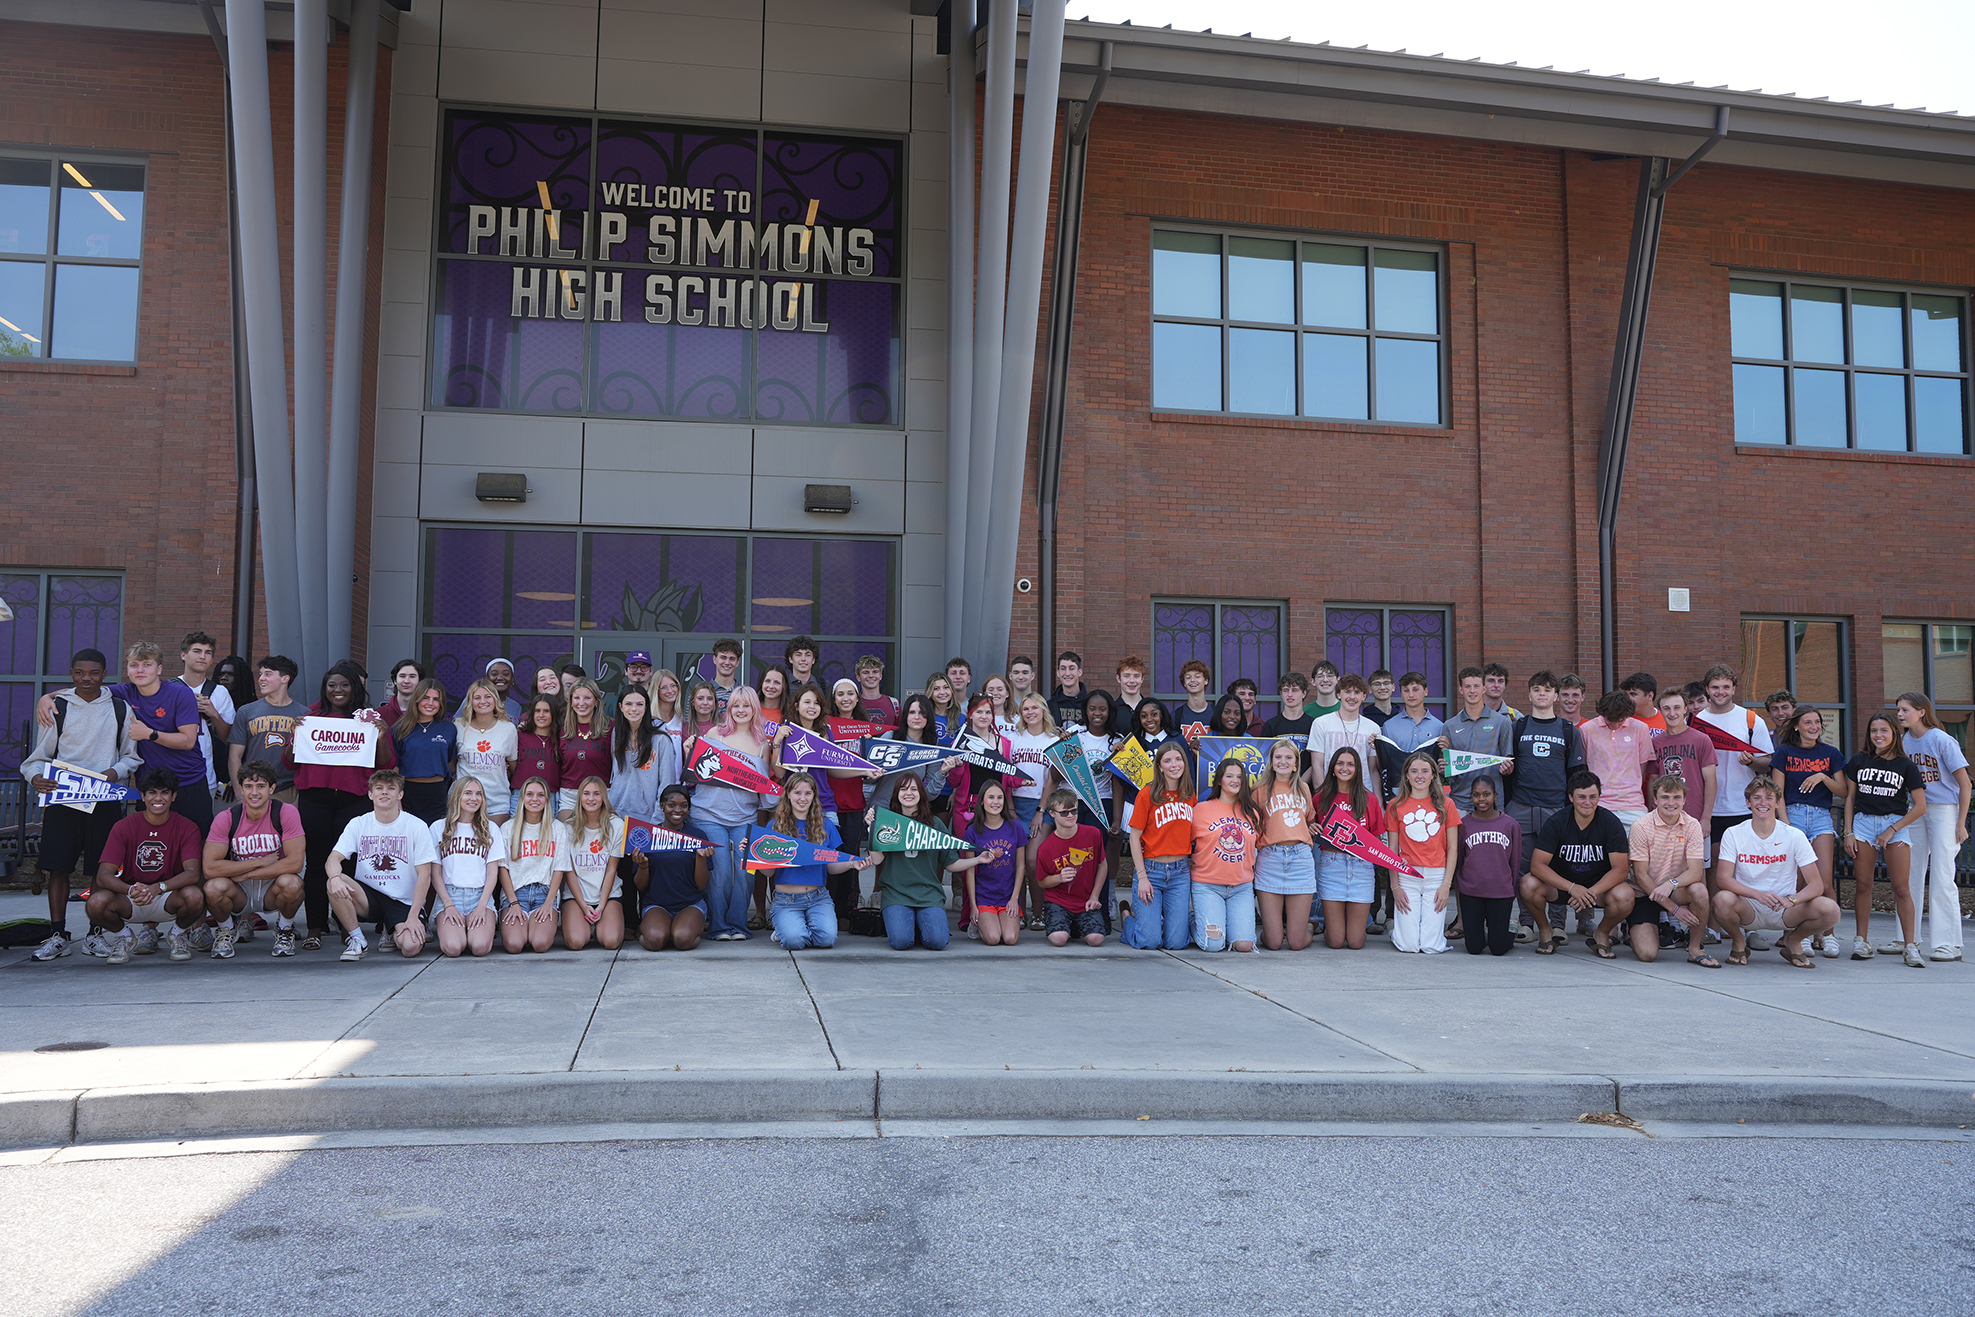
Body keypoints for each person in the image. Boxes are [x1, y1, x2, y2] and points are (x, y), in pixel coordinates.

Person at [21, 647, 140, 961]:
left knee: (101, 869)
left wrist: (115, 771)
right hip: (63, 798)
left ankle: (95, 934)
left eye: (94, 673)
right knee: (58, 868)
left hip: (103, 798)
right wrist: (35, 778)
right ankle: (58, 935)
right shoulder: (59, 707)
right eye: (79, 672)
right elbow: (37, 759)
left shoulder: (118, 708)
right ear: (71, 674)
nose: (86, 679)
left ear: (105, 674)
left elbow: (132, 756)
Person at [288, 660, 395, 950]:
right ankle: (314, 927)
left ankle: (348, 926)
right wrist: (295, 735)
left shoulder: (367, 720)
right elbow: (289, 760)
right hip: (315, 799)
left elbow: (386, 762)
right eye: (332, 685)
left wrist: (382, 736)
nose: (338, 690)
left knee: (348, 865)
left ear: (355, 688)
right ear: (325, 689)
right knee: (316, 865)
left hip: (353, 800)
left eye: (345, 684)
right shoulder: (310, 717)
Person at [1713, 778, 1841, 968]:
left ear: (1778, 803)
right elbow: (1723, 878)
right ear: (1748, 803)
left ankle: (1794, 941)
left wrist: (1792, 900)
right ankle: (1739, 940)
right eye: (1756, 798)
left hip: (1785, 909)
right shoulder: (1734, 833)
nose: (1763, 803)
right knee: (1721, 900)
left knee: (1831, 910)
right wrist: (1758, 894)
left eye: (1769, 798)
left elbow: (1816, 885)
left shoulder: (1794, 835)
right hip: (1749, 906)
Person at [86, 768, 207, 964]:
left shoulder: (187, 826)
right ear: (142, 796)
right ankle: (124, 937)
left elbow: (193, 873)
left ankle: (177, 935)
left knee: (195, 895)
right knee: (95, 902)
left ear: (173, 796)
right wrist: (130, 888)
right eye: (152, 792)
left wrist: (159, 887)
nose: (158, 798)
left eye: (164, 792)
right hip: (133, 896)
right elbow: (104, 875)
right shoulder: (124, 826)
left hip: (168, 896)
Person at [324, 768, 438, 962]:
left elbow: (425, 875)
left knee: (410, 947)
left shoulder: (416, 826)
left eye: (391, 788)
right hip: (369, 897)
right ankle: (358, 940)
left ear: (400, 794)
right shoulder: (358, 823)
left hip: (403, 901)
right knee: (334, 881)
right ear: (370, 794)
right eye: (379, 788)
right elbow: (333, 859)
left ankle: (391, 927)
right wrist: (335, 878)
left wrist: (413, 916)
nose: (384, 792)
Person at [688, 686, 774, 941]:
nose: (740, 710)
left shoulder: (763, 744)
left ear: (754, 709)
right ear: (728, 709)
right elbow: (699, 771)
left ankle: (738, 924)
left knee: (745, 870)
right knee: (721, 870)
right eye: (736, 705)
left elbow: (765, 784)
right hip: (708, 814)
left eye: (746, 706)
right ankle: (718, 925)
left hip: (743, 817)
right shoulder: (715, 734)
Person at [1842, 713, 1929, 966]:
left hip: (1895, 826)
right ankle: (1861, 940)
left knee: (1901, 888)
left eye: (1884, 730)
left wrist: (1892, 829)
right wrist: (1848, 832)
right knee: (1863, 885)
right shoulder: (1858, 761)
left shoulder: (1906, 766)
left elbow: (1920, 806)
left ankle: (1911, 946)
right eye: (1873, 731)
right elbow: (1849, 798)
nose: (1878, 735)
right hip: (1863, 825)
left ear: (1894, 733)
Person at [1505, 671, 1585, 944]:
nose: (1542, 694)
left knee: (1559, 868)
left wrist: (1572, 811)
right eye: (1536, 689)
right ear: (1529, 695)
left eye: (1547, 690)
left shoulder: (1568, 730)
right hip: (1522, 805)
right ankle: (1527, 922)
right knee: (1523, 869)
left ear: (1555, 696)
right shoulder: (1518, 727)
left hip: (1556, 809)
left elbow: (1576, 774)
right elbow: (1508, 768)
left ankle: (1558, 924)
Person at [200, 761, 306, 959]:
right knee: (213, 887)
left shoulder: (285, 812)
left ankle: (284, 930)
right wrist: (258, 862)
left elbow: (295, 863)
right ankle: (226, 930)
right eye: (248, 786)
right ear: (241, 789)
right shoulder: (227, 817)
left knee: (292, 883)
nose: (254, 792)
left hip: (271, 888)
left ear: (272, 788)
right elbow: (210, 868)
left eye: (261, 786)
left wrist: (246, 873)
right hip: (239, 891)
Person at [1894, 691, 1971, 963]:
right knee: (1909, 873)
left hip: (1943, 811)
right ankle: (1907, 937)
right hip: (1916, 811)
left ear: (1921, 711)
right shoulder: (1903, 741)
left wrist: (1960, 823)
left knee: (1941, 874)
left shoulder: (1941, 739)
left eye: (1905, 709)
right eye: (1898, 710)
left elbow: (1965, 784)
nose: (1900, 714)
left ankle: (1948, 943)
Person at [1522, 770, 1632, 957]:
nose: (1587, 802)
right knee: (1528, 884)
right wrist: (1573, 887)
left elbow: (1621, 869)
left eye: (1592, 797)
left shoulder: (1610, 823)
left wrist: (1590, 892)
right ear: (1571, 797)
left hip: (1597, 889)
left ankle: (1602, 933)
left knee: (1626, 895)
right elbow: (1537, 865)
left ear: (1599, 796)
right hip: (1562, 887)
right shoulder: (1557, 821)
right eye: (1581, 797)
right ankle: (1545, 930)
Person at [1770, 707, 1847, 958]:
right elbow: (1776, 793)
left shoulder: (1830, 754)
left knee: (1824, 882)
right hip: (1792, 816)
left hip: (1821, 817)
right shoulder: (1784, 753)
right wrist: (1786, 824)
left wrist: (1823, 776)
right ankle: (1799, 935)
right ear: (1796, 726)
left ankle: (1828, 934)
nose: (1813, 727)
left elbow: (1844, 791)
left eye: (1817, 722)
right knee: (1799, 882)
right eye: (1807, 722)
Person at [1624, 774, 1715, 966]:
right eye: (1665, 797)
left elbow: (1695, 872)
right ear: (1655, 799)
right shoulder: (1641, 826)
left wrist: (1671, 884)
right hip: (1645, 892)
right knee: (1647, 954)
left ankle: (1695, 948)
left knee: (1699, 891)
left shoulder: (1692, 825)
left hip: (1674, 889)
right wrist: (1674, 910)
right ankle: (1632, 931)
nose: (1671, 802)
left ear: (1684, 799)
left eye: (1676, 797)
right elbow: (1640, 876)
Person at [770, 772, 865, 950]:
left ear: (814, 796)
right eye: (797, 792)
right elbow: (768, 872)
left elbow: (830, 866)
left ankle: (796, 926)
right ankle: (786, 928)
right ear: (788, 794)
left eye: (808, 793)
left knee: (827, 940)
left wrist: (853, 863)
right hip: (786, 899)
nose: (802, 798)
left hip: (817, 897)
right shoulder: (774, 827)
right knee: (794, 941)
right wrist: (752, 854)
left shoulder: (825, 825)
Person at [1695, 664, 1775, 862]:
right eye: (1715, 687)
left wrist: (1752, 761)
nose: (1720, 692)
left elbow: (1768, 763)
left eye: (1725, 686)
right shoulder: (1697, 721)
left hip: (1743, 805)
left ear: (1733, 689)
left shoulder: (1750, 720)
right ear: (1707, 689)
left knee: (1745, 863)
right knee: (1713, 863)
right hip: (1709, 807)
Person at [1123, 742, 1195, 951]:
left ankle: (1164, 922)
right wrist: (1142, 877)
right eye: (1168, 760)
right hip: (1151, 871)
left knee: (1175, 943)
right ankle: (1128, 918)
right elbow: (1134, 838)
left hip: (1180, 872)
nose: (1174, 765)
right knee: (1149, 941)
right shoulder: (1147, 794)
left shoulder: (1190, 796)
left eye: (1179, 759)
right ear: (1160, 766)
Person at [1314, 745, 1384, 950]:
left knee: (1355, 942)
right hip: (1331, 866)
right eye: (1340, 763)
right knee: (1336, 942)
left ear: (1358, 769)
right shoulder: (1320, 797)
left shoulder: (1369, 798)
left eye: (1350, 764)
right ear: (1333, 767)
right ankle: (1318, 925)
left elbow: (1377, 839)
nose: (1345, 768)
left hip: (1361, 868)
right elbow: (1308, 825)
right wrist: (1311, 826)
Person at [866, 774, 947, 950]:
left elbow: (952, 863)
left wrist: (979, 859)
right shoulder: (886, 822)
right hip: (897, 895)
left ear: (921, 794)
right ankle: (911, 924)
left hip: (928, 895)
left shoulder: (935, 824)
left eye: (913, 789)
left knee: (938, 942)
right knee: (901, 942)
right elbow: (877, 859)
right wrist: (872, 831)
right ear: (896, 794)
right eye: (903, 789)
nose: (908, 793)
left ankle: (919, 925)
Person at [1388, 751, 1457, 954]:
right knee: (1408, 946)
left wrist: (1446, 885)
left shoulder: (1446, 804)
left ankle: (1420, 932)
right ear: (1406, 775)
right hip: (1407, 876)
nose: (1420, 776)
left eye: (1425, 771)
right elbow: (1392, 850)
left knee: (1431, 946)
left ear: (1433, 774)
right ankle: (1398, 931)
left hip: (1437, 876)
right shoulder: (1395, 805)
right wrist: (1395, 887)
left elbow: (1453, 848)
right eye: (1414, 771)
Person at [428, 776, 504, 958]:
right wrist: (448, 905)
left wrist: (481, 906)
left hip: (479, 896)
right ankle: (459, 929)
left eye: (479, 794)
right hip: (449, 895)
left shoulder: (490, 828)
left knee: (479, 947)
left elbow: (493, 873)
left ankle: (473, 927)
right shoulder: (439, 827)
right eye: (468, 793)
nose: (474, 798)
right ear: (456, 796)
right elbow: (435, 873)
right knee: (453, 948)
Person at [1252, 738, 1316, 951]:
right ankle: (1277, 930)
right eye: (1278, 757)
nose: (1283, 761)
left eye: (1288, 757)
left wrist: (1312, 828)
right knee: (1273, 942)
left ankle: (1306, 926)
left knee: (1296, 943)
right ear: (1271, 761)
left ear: (1296, 763)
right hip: (1270, 858)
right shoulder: (1259, 790)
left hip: (1300, 858)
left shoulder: (1304, 788)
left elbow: (1309, 819)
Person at [1190, 758, 1260, 952]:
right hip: (1207, 886)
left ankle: (1221, 922)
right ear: (1219, 780)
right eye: (1229, 776)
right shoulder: (1201, 810)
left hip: (1241, 888)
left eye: (1239, 777)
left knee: (1244, 945)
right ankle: (1193, 920)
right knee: (1213, 945)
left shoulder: (1252, 812)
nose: (1235, 780)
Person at [635, 784, 712, 951]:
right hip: (657, 904)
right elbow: (640, 886)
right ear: (662, 806)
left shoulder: (698, 836)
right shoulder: (648, 835)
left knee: (682, 939)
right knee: (654, 940)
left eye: (683, 805)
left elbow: (702, 885)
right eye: (671, 805)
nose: (678, 810)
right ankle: (662, 931)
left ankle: (678, 930)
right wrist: (643, 865)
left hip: (690, 904)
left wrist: (700, 858)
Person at [498, 777, 570, 954]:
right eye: (529, 794)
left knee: (540, 944)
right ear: (522, 798)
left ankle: (534, 926)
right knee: (514, 945)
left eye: (540, 795)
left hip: (544, 893)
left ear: (547, 800)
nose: (535, 799)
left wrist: (549, 903)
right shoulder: (508, 828)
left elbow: (558, 869)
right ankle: (523, 926)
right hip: (515, 893)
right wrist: (513, 903)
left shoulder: (557, 828)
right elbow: (503, 869)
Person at [949, 780, 1025, 945]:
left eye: (1000, 797)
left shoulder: (1015, 827)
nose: (996, 802)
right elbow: (969, 870)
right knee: (993, 939)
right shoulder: (972, 831)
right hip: (985, 896)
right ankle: (979, 924)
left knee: (1010, 939)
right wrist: (973, 906)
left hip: (1007, 896)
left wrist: (1014, 899)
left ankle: (998, 920)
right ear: (982, 801)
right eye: (991, 797)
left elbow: (1020, 866)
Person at [1452, 777, 1520, 956]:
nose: (1481, 799)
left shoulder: (1510, 825)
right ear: (1471, 797)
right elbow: (1459, 861)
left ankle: (1509, 931)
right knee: (1474, 948)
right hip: (1471, 892)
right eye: (1476, 795)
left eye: (1486, 794)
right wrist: (1461, 885)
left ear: (1495, 796)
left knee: (1498, 949)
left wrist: (1511, 891)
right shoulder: (1464, 824)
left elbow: (1515, 862)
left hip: (1500, 892)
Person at [1038, 787, 1111, 948]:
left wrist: (1094, 896)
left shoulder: (1094, 834)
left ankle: (1076, 925)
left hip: (1085, 900)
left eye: (1074, 811)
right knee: (1059, 939)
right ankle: (1065, 924)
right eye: (1064, 812)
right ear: (1052, 813)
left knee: (1096, 939)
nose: (1070, 815)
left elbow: (1102, 865)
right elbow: (1042, 882)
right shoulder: (1045, 848)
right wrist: (1059, 878)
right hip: (1058, 901)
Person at [169, 631, 235, 809]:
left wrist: (213, 714)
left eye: (208, 653)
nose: (202, 657)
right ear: (183, 655)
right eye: (197, 651)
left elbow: (228, 738)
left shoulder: (220, 692)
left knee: (201, 831)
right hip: (169, 775)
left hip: (205, 776)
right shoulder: (167, 689)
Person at [561, 776, 627, 951]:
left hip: (607, 894)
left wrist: (601, 907)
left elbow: (611, 870)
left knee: (611, 941)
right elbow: (570, 872)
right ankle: (583, 925)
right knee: (576, 942)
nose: (591, 798)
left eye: (597, 794)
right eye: (587, 793)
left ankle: (601, 924)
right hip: (577, 897)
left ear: (604, 797)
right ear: (579, 798)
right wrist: (584, 906)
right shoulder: (567, 828)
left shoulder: (617, 825)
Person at [1437, 666, 1514, 815]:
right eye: (1467, 686)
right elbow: (1447, 768)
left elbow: (1508, 761)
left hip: (1492, 802)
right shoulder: (1450, 725)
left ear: (1484, 688)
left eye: (1476, 686)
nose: (1472, 691)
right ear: (1460, 689)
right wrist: (1443, 770)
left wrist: (1507, 768)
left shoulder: (1501, 722)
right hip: (1460, 801)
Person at [228, 655, 303, 802]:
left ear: (285, 679)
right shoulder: (246, 711)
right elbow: (234, 756)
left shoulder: (303, 715)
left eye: (268, 674)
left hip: (289, 789)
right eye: (260, 674)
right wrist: (240, 793)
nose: (261, 678)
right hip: (254, 787)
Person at [1579, 689, 1655, 827]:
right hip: (1598, 803)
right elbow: (1584, 768)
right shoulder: (1587, 730)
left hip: (1633, 804)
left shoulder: (1640, 728)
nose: (1614, 725)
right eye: (1609, 721)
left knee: (1636, 848)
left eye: (1620, 721)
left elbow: (1642, 769)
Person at [1649, 688, 1718, 835]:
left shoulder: (1701, 740)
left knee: (1695, 859)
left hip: (1695, 819)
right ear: (1660, 711)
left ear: (1685, 709)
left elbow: (1711, 781)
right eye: (1666, 708)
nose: (1672, 713)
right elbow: (1653, 781)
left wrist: (1706, 818)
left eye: (1677, 708)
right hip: (1664, 819)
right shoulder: (1655, 743)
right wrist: (1651, 814)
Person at [391, 678, 458, 824]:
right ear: (416, 699)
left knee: (435, 843)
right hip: (407, 794)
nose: (430, 703)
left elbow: (451, 764)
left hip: (437, 794)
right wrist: (397, 799)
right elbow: (395, 769)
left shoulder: (448, 728)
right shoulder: (399, 729)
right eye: (425, 698)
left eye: (436, 699)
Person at [458, 678, 519, 825]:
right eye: (477, 698)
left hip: (497, 803)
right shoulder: (459, 727)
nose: (482, 701)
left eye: (487, 697)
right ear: (470, 702)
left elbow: (514, 766)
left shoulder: (508, 729)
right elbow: (452, 763)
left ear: (495, 699)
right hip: (464, 802)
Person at [1007, 695, 1061, 845]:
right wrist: (1010, 809)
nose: (1030, 712)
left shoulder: (1053, 741)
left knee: (1032, 859)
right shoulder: (1012, 739)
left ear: (1043, 710)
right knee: (1015, 857)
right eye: (1025, 709)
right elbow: (1005, 777)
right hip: (1015, 804)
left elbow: (1053, 781)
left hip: (1042, 803)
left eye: (1034, 707)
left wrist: (1040, 812)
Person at [1308, 673, 1381, 780]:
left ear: (1364, 696)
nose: (1352, 697)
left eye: (1357, 692)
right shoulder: (1321, 723)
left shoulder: (1373, 727)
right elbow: (1317, 766)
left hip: (1363, 792)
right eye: (1347, 692)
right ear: (1338, 694)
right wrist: (1322, 794)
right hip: (1331, 791)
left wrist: (1377, 796)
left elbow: (1373, 770)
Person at [556, 679, 612, 819]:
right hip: (570, 794)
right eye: (576, 698)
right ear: (570, 701)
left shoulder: (610, 728)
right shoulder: (563, 730)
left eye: (587, 698)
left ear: (596, 701)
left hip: (601, 793)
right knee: (568, 836)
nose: (581, 703)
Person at [511, 693, 561, 822]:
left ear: (554, 714)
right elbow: (512, 764)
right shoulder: (519, 735)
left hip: (549, 796)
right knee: (516, 835)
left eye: (546, 711)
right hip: (520, 794)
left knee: (548, 837)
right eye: (537, 711)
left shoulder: (561, 738)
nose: (541, 715)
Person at [454, 657, 525, 721]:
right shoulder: (473, 700)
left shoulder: (516, 707)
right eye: (494, 674)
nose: (500, 678)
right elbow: (457, 724)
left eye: (506, 674)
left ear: (512, 679)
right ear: (487, 679)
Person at [1047, 650, 1091, 732]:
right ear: (1058, 672)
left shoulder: (1090, 704)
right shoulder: (1049, 706)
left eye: (1072, 668)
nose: (1067, 673)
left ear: (1080, 672)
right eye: (1063, 669)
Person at [1174, 659, 1214, 741]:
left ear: (1206, 680)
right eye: (1188, 677)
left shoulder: (1217, 714)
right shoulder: (1175, 717)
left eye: (1197, 676)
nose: (1192, 680)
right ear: (1184, 683)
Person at [378, 659, 425, 725]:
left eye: (412, 676)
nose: (406, 681)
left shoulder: (426, 713)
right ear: (395, 680)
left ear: (419, 681)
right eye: (402, 676)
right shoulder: (379, 715)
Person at [856, 654, 898, 726]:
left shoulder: (894, 704)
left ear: (880, 676)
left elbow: (900, 732)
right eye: (866, 672)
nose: (871, 676)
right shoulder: (852, 703)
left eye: (875, 672)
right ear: (858, 677)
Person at [1113, 655, 1148, 731]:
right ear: (1118, 678)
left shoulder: (1151, 708)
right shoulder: (1112, 710)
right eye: (1126, 676)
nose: (1132, 680)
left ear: (1142, 679)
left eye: (1136, 676)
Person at [708, 638, 743, 707]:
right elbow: (691, 717)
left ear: (737, 662)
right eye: (723, 657)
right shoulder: (700, 693)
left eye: (732, 659)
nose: (727, 663)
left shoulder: (745, 694)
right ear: (714, 659)